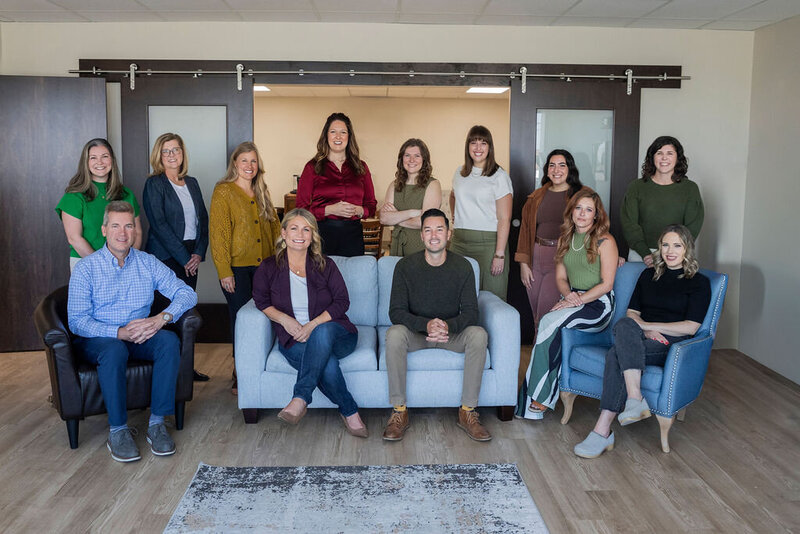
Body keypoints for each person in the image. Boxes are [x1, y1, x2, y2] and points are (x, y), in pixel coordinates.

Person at [67, 201, 197, 462]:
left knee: (168, 341)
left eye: (129, 226)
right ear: (104, 230)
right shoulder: (86, 268)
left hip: (140, 334)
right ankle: (117, 430)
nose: (123, 233)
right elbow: (77, 322)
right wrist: (119, 332)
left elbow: (187, 293)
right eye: (116, 226)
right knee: (114, 350)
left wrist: (161, 319)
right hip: (100, 338)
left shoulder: (148, 262)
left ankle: (157, 424)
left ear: (135, 231)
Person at [574, 225, 711, 458]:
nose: (670, 251)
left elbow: (691, 327)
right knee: (624, 324)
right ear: (659, 247)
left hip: (670, 344)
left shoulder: (699, 282)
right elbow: (632, 314)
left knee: (615, 354)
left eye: (677, 245)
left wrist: (649, 327)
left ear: (687, 249)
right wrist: (645, 331)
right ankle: (634, 397)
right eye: (665, 245)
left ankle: (603, 430)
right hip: (640, 336)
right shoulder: (648, 275)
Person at [252, 209, 367, 437]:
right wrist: (284, 320)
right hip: (293, 339)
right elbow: (261, 300)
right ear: (283, 233)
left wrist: (312, 325)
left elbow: (342, 301)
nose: (300, 234)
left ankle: (300, 397)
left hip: (338, 335)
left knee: (321, 332)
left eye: (306, 229)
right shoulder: (268, 267)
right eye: (294, 228)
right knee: (327, 363)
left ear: (313, 236)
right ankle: (350, 411)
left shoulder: (325, 265)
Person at [383, 208, 491, 442]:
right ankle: (399, 411)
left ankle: (467, 411)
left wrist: (447, 326)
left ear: (448, 234)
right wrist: (426, 325)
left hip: (450, 334)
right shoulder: (405, 267)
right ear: (421, 235)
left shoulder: (463, 266)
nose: (434, 235)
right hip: (417, 334)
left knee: (478, 334)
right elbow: (396, 312)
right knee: (394, 334)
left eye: (439, 230)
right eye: (428, 230)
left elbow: (471, 312)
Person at [516, 189, 618, 420]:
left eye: (588, 210)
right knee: (549, 324)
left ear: (596, 215)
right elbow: (561, 278)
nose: (582, 213)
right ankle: (536, 396)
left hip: (598, 305)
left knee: (548, 322)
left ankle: (541, 397)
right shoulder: (565, 239)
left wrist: (579, 299)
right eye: (578, 208)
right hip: (573, 299)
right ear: (571, 211)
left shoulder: (606, 241)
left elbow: (607, 284)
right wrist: (569, 296)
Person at [209, 142, 281, 394]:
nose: (249, 166)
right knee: (241, 321)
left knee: (264, 317)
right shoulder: (224, 191)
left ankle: (260, 367)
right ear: (235, 164)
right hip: (237, 269)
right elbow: (218, 235)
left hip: (265, 268)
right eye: (244, 161)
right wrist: (224, 271)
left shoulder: (261, 191)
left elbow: (274, 226)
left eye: (253, 161)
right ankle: (240, 371)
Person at [142, 133, 210, 382]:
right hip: (165, 257)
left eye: (176, 150)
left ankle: (185, 370)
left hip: (191, 254)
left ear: (182, 153)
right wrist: (184, 258)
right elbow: (159, 225)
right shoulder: (154, 184)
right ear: (159, 156)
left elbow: (203, 220)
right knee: (166, 313)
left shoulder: (191, 182)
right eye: (166, 151)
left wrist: (198, 253)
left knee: (185, 312)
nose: (172, 155)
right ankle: (167, 370)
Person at [516, 149, 589, 332]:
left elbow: (598, 225)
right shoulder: (536, 196)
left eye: (562, 165)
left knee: (546, 313)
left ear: (570, 169)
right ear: (547, 170)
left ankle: (542, 349)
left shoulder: (582, 195)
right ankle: (539, 347)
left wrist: (610, 252)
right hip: (535, 257)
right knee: (535, 314)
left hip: (561, 258)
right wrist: (524, 263)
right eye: (552, 165)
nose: (556, 170)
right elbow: (525, 229)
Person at [296, 112, 377, 257]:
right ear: (326, 136)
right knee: (322, 272)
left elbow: (371, 205)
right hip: (322, 235)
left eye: (343, 132)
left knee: (353, 272)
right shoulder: (312, 167)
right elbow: (301, 209)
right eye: (333, 132)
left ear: (349, 137)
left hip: (353, 237)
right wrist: (329, 210)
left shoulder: (361, 167)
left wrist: (359, 210)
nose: (338, 137)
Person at [56, 138, 141, 271]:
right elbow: (74, 238)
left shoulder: (126, 194)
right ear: (86, 162)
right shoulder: (73, 197)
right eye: (93, 158)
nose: (99, 162)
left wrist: (128, 263)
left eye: (105, 156)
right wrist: (105, 265)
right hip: (86, 262)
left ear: (112, 160)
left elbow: (137, 232)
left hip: (124, 265)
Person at [449, 125, 512, 301]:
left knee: (491, 298)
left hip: (489, 245)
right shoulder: (459, 173)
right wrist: (456, 216)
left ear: (489, 147)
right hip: (459, 242)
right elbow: (453, 196)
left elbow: (505, 218)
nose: (478, 148)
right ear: (467, 146)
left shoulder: (499, 176)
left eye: (483, 143)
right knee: (457, 295)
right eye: (473, 143)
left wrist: (499, 254)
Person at [621, 135, 704, 266]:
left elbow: (692, 227)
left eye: (670, 153)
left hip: (676, 254)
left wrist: (671, 251)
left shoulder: (690, 188)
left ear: (678, 158)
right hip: (641, 254)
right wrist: (645, 254)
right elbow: (629, 224)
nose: (664, 158)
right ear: (652, 157)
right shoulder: (636, 187)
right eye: (659, 153)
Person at [380, 138, 442, 256]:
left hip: (421, 245)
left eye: (417, 156)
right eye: (407, 155)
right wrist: (411, 212)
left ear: (424, 159)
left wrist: (396, 218)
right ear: (401, 159)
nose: (411, 160)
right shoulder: (394, 185)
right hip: (397, 244)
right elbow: (384, 218)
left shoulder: (433, 184)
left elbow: (426, 221)